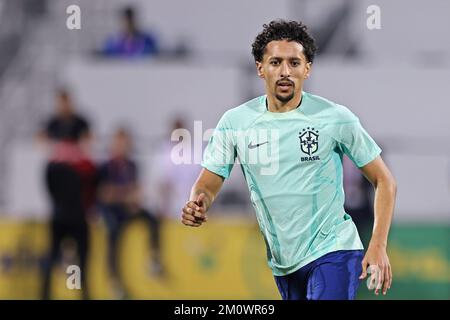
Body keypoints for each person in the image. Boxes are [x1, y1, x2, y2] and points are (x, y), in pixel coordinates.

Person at [181, 20, 397, 300]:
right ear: (260, 68)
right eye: (275, 62)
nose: (285, 72)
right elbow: (208, 182)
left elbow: (384, 181)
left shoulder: (335, 118)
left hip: (334, 250)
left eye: (294, 63)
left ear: (307, 69)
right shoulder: (236, 122)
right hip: (285, 266)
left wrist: (378, 244)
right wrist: (198, 202)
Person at [38, 89, 96, 300]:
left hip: (76, 215)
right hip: (62, 215)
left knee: (82, 259)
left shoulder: (83, 166)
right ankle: (44, 294)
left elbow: (90, 186)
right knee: (54, 257)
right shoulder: (56, 168)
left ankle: (84, 294)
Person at [97, 128, 164, 299]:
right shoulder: (106, 167)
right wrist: (124, 195)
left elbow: (134, 190)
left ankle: (153, 258)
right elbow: (104, 194)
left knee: (151, 218)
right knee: (112, 234)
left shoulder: (132, 165)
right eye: (120, 143)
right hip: (113, 212)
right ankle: (114, 281)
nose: (124, 147)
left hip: (128, 209)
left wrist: (129, 197)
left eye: (126, 143)